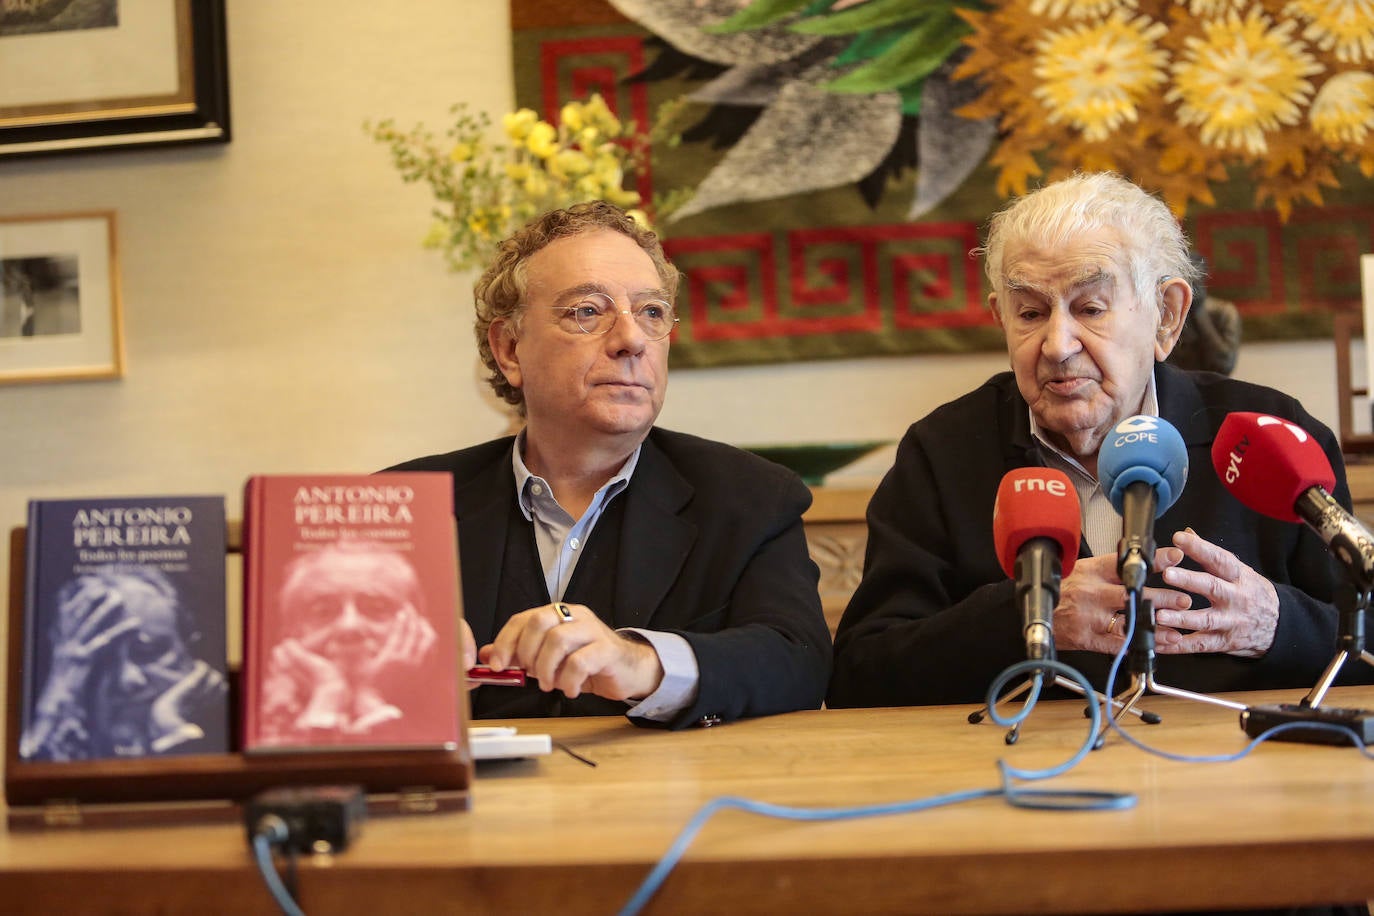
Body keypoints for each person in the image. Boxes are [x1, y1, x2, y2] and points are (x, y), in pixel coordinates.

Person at [828, 171, 1372, 710]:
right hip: (1020, 772)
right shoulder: (942, 452)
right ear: (1001, 320)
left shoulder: (1270, 438)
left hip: (1228, 772)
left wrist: (1277, 626)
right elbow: (860, 672)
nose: (1057, 344)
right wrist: (1026, 616)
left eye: (1090, 308)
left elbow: (1366, 630)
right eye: (1031, 313)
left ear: (1166, 317)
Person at [386, 200, 831, 728]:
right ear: (509, 350)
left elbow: (800, 662)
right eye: (587, 311)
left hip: (667, 803)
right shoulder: (400, 506)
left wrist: (643, 664)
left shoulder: (751, 497)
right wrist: (380, 665)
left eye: (651, 313)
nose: (631, 340)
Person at [20, 564, 227, 761]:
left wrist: (174, 732)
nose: (128, 680)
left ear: (191, 650)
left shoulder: (224, 731)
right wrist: (57, 702)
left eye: (147, 652)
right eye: (101, 660)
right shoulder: (57, 730)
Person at [257, 541, 447, 745]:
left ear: (418, 629)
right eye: (323, 611)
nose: (349, 626)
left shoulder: (448, 720)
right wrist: (327, 698)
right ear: (291, 632)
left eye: (376, 608)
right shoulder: (258, 723)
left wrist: (371, 700)